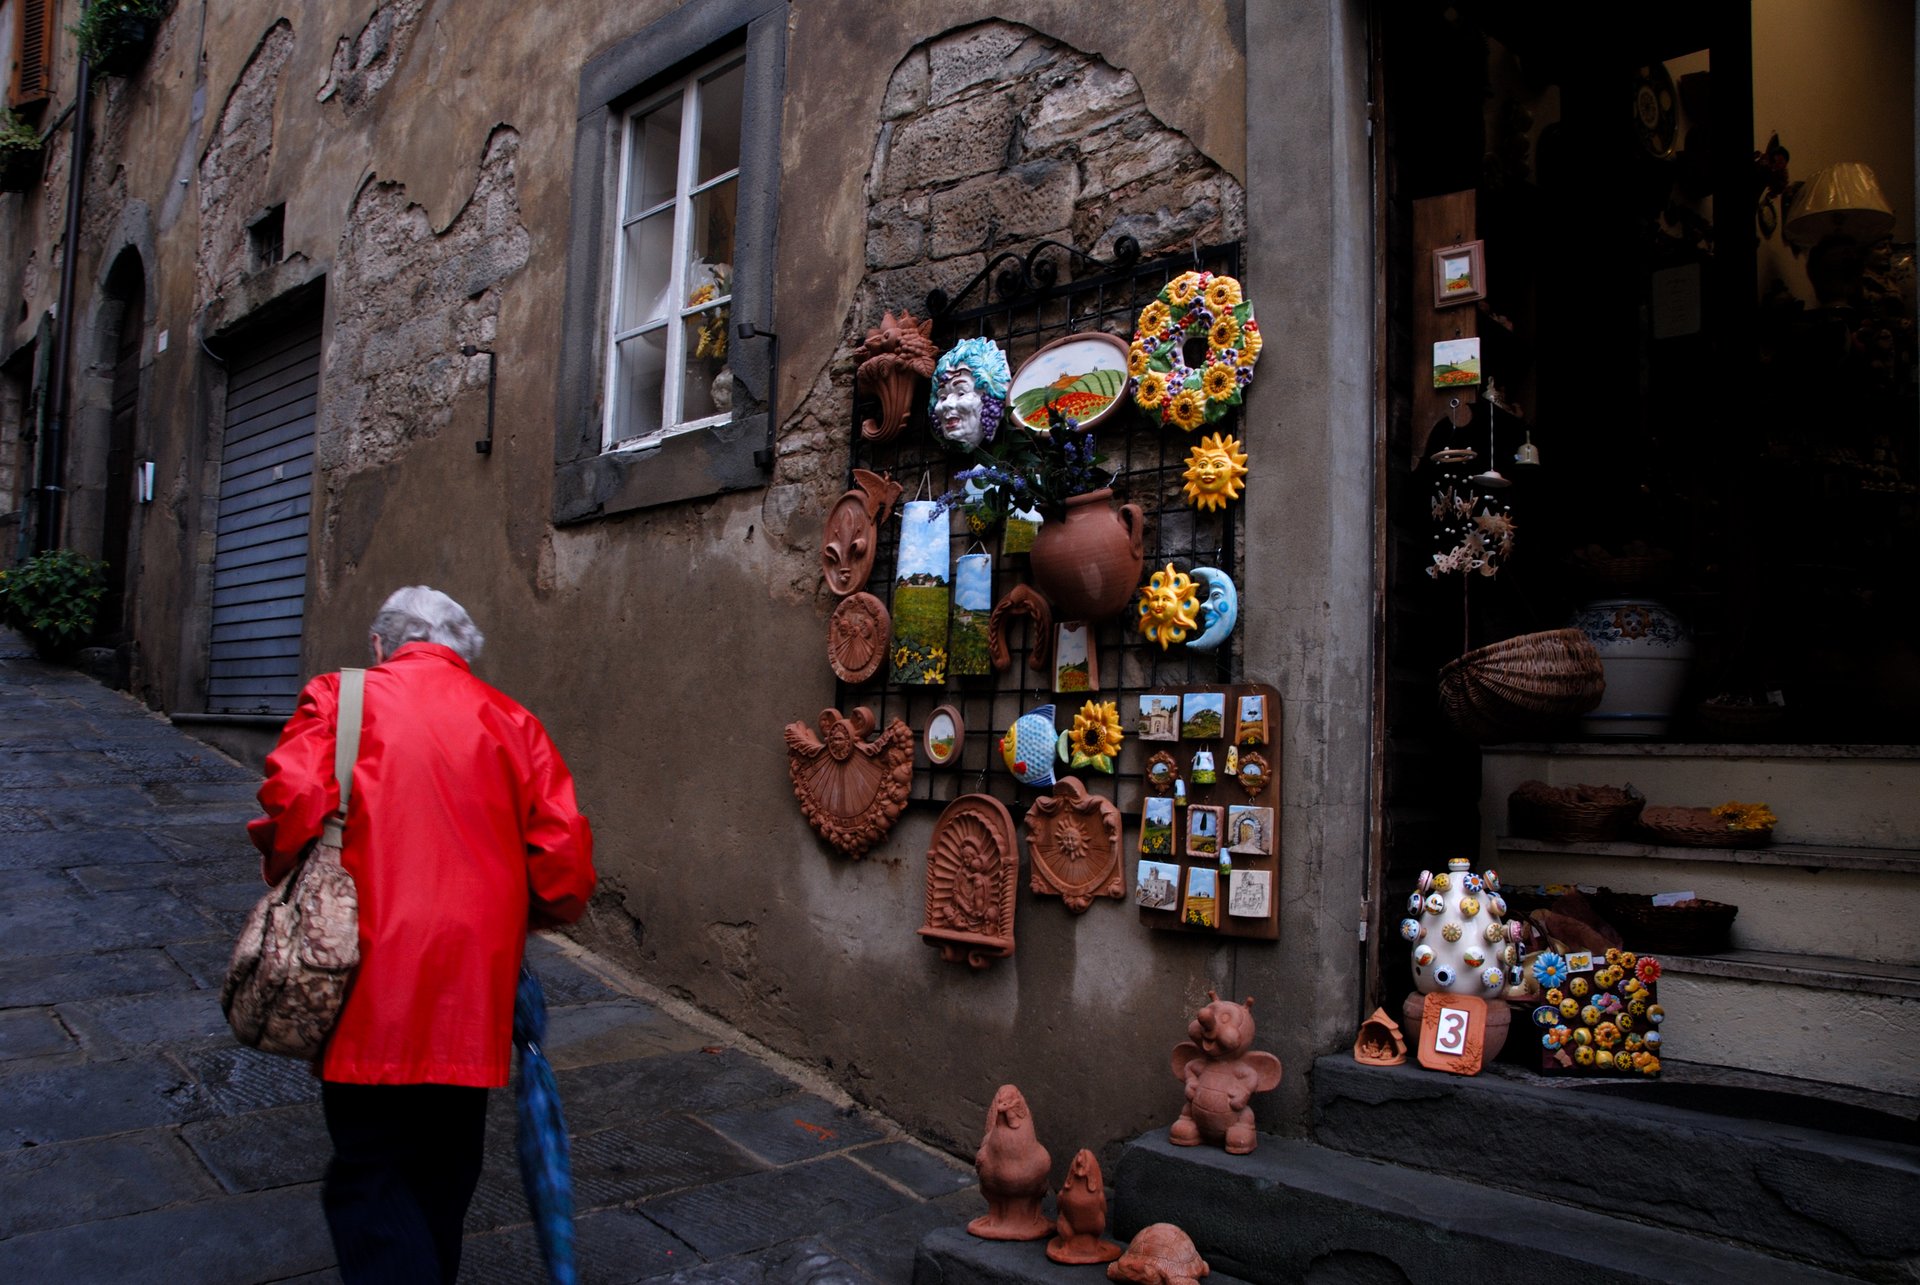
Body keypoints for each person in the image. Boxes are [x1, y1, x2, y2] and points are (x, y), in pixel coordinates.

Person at [247, 586, 596, 1284]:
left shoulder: (338, 699)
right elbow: (564, 873)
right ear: (462, 652)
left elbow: (291, 805)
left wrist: (293, 866)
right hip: (472, 987)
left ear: (382, 644)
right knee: (444, 1173)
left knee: (370, 1172)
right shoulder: (513, 721)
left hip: (365, 976)